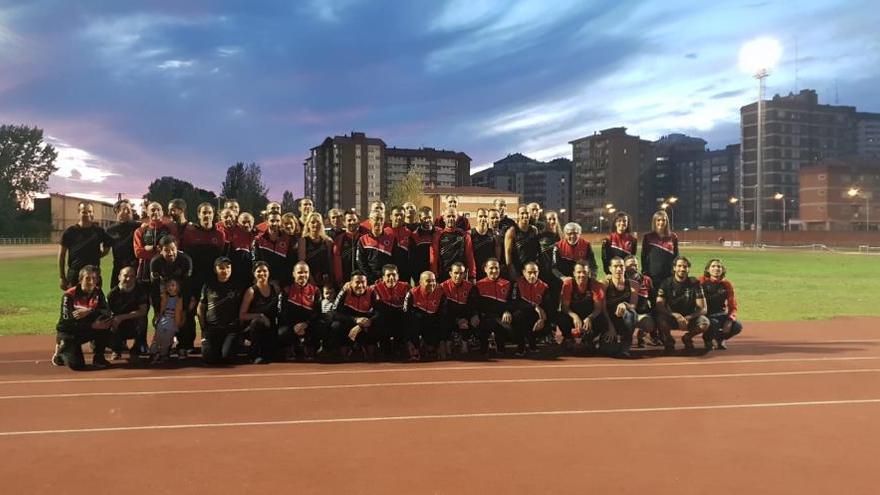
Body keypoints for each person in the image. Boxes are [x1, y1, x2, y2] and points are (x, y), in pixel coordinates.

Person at [54, 265, 113, 370]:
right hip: (70, 333)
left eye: (94, 278)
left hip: (87, 329)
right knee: (77, 366)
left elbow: (107, 312)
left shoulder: (98, 292)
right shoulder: (69, 295)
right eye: (88, 278)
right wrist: (91, 325)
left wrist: (90, 311)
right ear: (80, 279)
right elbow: (67, 322)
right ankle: (61, 352)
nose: (91, 282)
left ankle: (99, 357)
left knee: (105, 322)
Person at [149, 236, 194, 358]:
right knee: (164, 318)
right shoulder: (155, 262)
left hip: (182, 289)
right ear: (160, 250)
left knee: (183, 317)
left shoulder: (185, 260)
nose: (171, 253)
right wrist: (157, 311)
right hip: (165, 291)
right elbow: (154, 288)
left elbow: (188, 286)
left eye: (173, 249)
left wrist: (184, 309)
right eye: (167, 250)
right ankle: (164, 346)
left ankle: (183, 345)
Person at [655, 256, 710, 353]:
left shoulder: (695, 283)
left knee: (705, 322)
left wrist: (689, 317)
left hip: (690, 318)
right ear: (674, 268)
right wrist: (674, 315)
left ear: (688, 269)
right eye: (679, 266)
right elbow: (659, 305)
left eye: (685, 266)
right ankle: (669, 340)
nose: (682, 269)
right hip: (672, 317)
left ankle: (687, 337)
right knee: (660, 319)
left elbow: (703, 309)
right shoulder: (666, 283)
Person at [58, 200, 112, 290]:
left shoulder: (99, 231)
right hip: (74, 274)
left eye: (90, 211)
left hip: (93, 273)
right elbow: (61, 256)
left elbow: (107, 248)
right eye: (84, 211)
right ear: (79, 213)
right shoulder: (69, 232)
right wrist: (62, 277)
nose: (87, 214)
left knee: (94, 303)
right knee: (73, 302)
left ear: (93, 213)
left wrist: (95, 256)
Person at [198, 257, 242, 365]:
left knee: (227, 357)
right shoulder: (208, 285)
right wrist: (203, 328)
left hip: (230, 329)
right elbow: (200, 308)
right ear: (215, 270)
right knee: (208, 358)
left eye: (228, 267)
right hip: (212, 328)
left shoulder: (238, 285)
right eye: (221, 268)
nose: (225, 270)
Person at [558, 261, 607, 352]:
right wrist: (574, 316)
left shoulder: (595, 284)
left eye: (585, 272)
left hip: (588, 314)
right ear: (574, 273)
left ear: (589, 273)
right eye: (579, 272)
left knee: (601, 319)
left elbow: (598, 308)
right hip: (573, 314)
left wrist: (590, 318)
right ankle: (568, 338)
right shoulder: (568, 284)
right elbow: (565, 307)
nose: (582, 275)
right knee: (561, 317)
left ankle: (590, 339)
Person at [277, 262, 322, 360]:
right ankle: (290, 348)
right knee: (281, 332)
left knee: (321, 326)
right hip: (291, 326)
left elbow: (318, 313)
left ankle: (310, 347)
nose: (303, 275)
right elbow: (282, 313)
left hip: (308, 325)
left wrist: (306, 324)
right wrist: (294, 326)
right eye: (300, 272)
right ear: (294, 274)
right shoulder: (286, 291)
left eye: (306, 272)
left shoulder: (316, 291)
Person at [239, 261, 280, 364]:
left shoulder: (275, 288)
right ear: (254, 273)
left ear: (269, 272)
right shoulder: (251, 291)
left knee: (277, 356)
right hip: (255, 327)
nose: (262, 274)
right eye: (259, 271)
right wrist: (260, 316)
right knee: (257, 322)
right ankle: (254, 354)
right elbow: (242, 315)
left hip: (270, 326)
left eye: (265, 271)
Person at [106, 266, 149, 361]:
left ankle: (136, 349)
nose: (128, 279)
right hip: (119, 324)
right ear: (119, 277)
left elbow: (143, 311)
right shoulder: (112, 294)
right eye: (125, 276)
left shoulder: (140, 291)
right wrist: (113, 320)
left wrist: (122, 317)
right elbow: (107, 313)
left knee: (142, 320)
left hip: (133, 322)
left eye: (132, 276)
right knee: (108, 324)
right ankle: (116, 349)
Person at [472, 258, 513, 355]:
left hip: (501, 317)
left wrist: (507, 311)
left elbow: (512, 302)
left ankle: (500, 342)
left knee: (511, 330)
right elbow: (474, 304)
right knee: (479, 324)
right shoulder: (478, 285)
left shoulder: (507, 284)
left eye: (496, 268)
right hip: (485, 318)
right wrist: (475, 315)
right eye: (491, 268)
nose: (494, 271)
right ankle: (484, 343)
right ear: (485, 269)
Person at [403, 270, 448, 361]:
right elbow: (405, 317)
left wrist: (442, 342)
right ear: (420, 282)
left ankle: (429, 344)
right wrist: (410, 342)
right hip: (417, 323)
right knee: (411, 321)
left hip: (432, 323)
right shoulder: (411, 293)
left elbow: (443, 317)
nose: (432, 283)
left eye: (434, 280)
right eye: (428, 281)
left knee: (432, 349)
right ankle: (414, 346)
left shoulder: (441, 293)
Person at [330, 271, 375, 358]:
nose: (360, 285)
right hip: (348, 322)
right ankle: (340, 350)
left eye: (363, 282)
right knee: (335, 326)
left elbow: (378, 313)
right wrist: (354, 320)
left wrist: (361, 325)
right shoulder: (345, 291)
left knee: (377, 324)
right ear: (351, 283)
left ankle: (371, 351)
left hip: (365, 323)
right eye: (357, 282)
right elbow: (334, 313)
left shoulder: (371, 292)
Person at [368, 264, 410, 359]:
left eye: (394, 275)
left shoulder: (406, 287)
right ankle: (384, 348)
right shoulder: (374, 288)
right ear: (383, 277)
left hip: (399, 319)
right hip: (383, 320)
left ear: (398, 276)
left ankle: (399, 347)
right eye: (388, 275)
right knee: (378, 317)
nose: (391, 278)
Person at [700, 258, 743, 350]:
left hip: (720, 314)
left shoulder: (726, 284)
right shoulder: (701, 281)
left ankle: (720, 339)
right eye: (713, 266)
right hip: (706, 315)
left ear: (722, 269)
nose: (716, 268)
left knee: (737, 326)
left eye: (719, 266)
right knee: (714, 323)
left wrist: (730, 319)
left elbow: (733, 305)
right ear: (708, 269)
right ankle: (708, 340)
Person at [510, 262, 549, 355]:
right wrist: (534, 306)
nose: (532, 275)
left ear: (538, 272)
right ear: (524, 272)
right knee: (518, 316)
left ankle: (533, 342)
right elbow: (515, 303)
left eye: (535, 272)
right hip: (522, 315)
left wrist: (542, 319)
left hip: (536, 317)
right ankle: (522, 345)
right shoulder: (517, 284)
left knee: (547, 323)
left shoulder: (544, 286)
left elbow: (547, 307)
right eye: (529, 272)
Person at [603, 257, 639, 358]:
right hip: (609, 319)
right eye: (615, 266)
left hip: (625, 318)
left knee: (631, 313)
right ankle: (599, 339)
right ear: (610, 268)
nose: (619, 269)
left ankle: (626, 344)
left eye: (621, 266)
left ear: (625, 268)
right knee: (608, 350)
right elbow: (603, 308)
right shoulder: (605, 284)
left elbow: (633, 305)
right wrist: (610, 327)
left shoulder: (633, 284)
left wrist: (624, 304)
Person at [440, 262, 477, 354]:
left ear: (465, 274)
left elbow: (472, 306)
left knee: (475, 319)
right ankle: (447, 341)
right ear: (450, 273)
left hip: (464, 316)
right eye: (456, 273)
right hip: (449, 316)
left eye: (461, 273)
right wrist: (456, 320)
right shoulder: (442, 287)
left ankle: (465, 342)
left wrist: (469, 317)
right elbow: (443, 309)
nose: (458, 276)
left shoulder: (470, 287)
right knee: (442, 319)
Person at [641, 210, 679, 297]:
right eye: (658, 220)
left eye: (663, 220)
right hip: (653, 275)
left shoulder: (673, 237)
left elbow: (676, 256)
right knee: (654, 299)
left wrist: (675, 272)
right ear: (654, 221)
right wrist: (645, 273)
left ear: (667, 222)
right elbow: (644, 256)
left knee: (668, 299)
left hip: (668, 275)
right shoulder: (647, 237)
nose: (661, 222)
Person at [254, 212, 297, 288]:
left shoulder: (288, 238)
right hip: (265, 281)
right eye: (272, 221)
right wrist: (268, 280)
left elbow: (291, 262)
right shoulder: (259, 239)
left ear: (280, 222)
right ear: (267, 222)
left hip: (285, 282)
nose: (275, 223)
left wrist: (284, 283)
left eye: (277, 221)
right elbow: (257, 262)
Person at [433, 208, 476, 283]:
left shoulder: (464, 235)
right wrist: (434, 275)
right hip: (443, 274)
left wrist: (472, 275)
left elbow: (470, 256)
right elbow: (433, 257)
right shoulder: (438, 235)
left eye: (453, 216)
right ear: (444, 218)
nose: (451, 218)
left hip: (460, 274)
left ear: (457, 218)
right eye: (448, 216)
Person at [134, 201, 173, 284]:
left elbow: (173, 251)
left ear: (162, 212)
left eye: (158, 210)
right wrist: (156, 249)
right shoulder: (140, 231)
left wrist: (149, 249)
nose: (156, 212)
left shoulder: (169, 230)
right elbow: (138, 253)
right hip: (145, 270)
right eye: (152, 210)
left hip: (164, 269)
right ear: (147, 213)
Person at [623, 255, 657, 348]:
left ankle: (641, 335)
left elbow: (653, 298)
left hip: (642, 313)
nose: (634, 266)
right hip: (626, 313)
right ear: (624, 266)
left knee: (650, 323)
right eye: (631, 264)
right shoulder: (620, 279)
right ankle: (624, 337)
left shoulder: (646, 280)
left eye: (636, 264)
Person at [106, 199, 140, 287]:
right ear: (117, 211)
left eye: (130, 209)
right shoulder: (110, 230)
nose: (129, 211)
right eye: (125, 208)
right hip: (118, 268)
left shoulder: (138, 226)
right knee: (115, 295)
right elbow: (105, 250)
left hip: (134, 267)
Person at [356, 212, 397, 284]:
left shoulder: (391, 238)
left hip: (386, 279)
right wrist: (371, 278)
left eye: (381, 219)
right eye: (376, 219)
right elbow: (361, 262)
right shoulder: (362, 239)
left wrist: (386, 276)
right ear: (370, 221)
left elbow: (395, 260)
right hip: (369, 280)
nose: (379, 222)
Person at [151, 277, 184, 364]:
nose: (170, 287)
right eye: (168, 285)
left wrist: (179, 322)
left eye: (173, 285)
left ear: (178, 287)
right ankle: (154, 352)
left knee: (167, 338)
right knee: (157, 336)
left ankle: (163, 354)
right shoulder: (164, 297)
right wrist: (157, 318)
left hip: (173, 321)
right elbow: (160, 309)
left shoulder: (180, 299)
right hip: (163, 319)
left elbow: (181, 312)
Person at [298, 212, 333, 287]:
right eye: (313, 222)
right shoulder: (303, 240)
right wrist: (311, 280)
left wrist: (329, 279)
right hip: (309, 279)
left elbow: (330, 261)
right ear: (308, 225)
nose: (315, 224)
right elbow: (302, 262)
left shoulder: (327, 241)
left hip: (324, 279)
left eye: (318, 222)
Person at [504, 205, 539, 280]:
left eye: (527, 213)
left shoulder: (534, 230)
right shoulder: (512, 231)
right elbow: (507, 253)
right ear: (518, 215)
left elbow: (537, 249)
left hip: (531, 269)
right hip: (518, 269)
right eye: (522, 213)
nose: (525, 215)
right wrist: (511, 269)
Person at [409, 207, 438, 285]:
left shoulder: (439, 232)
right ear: (420, 218)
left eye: (429, 217)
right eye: (425, 218)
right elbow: (412, 260)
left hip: (437, 275)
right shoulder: (414, 235)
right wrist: (417, 278)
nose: (427, 220)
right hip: (421, 277)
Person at [471, 208, 502, 281]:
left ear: (488, 218)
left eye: (485, 216)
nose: (483, 218)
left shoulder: (495, 235)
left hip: (489, 271)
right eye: (480, 216)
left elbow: (497, 258)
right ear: (477, 218)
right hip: (475, 270)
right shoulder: (470, 234)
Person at [227, 212, 256, 289]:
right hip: (235, 275)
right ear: (238, 223)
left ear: (253, 223)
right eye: (243, 222)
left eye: (249, 222)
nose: (246, 225)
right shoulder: (231, 232)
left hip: (250, 275)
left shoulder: (256, 235)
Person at [333, 211, 360, 288]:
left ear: (358, 222)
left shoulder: (363, 238)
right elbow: (336, 262)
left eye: (354, 220)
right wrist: (340, 281)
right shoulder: (339, 239)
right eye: (349, 220)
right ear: (344, 223)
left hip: (361, 281)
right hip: (345, 282)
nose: (352, 222)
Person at [389, 206, 412, 285]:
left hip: (405, 273)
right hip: (389, 273)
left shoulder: (409, 233)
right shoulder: (385, 232)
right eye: (396, 215)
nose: (399, 217)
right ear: (391, 217)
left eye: (401, 215)